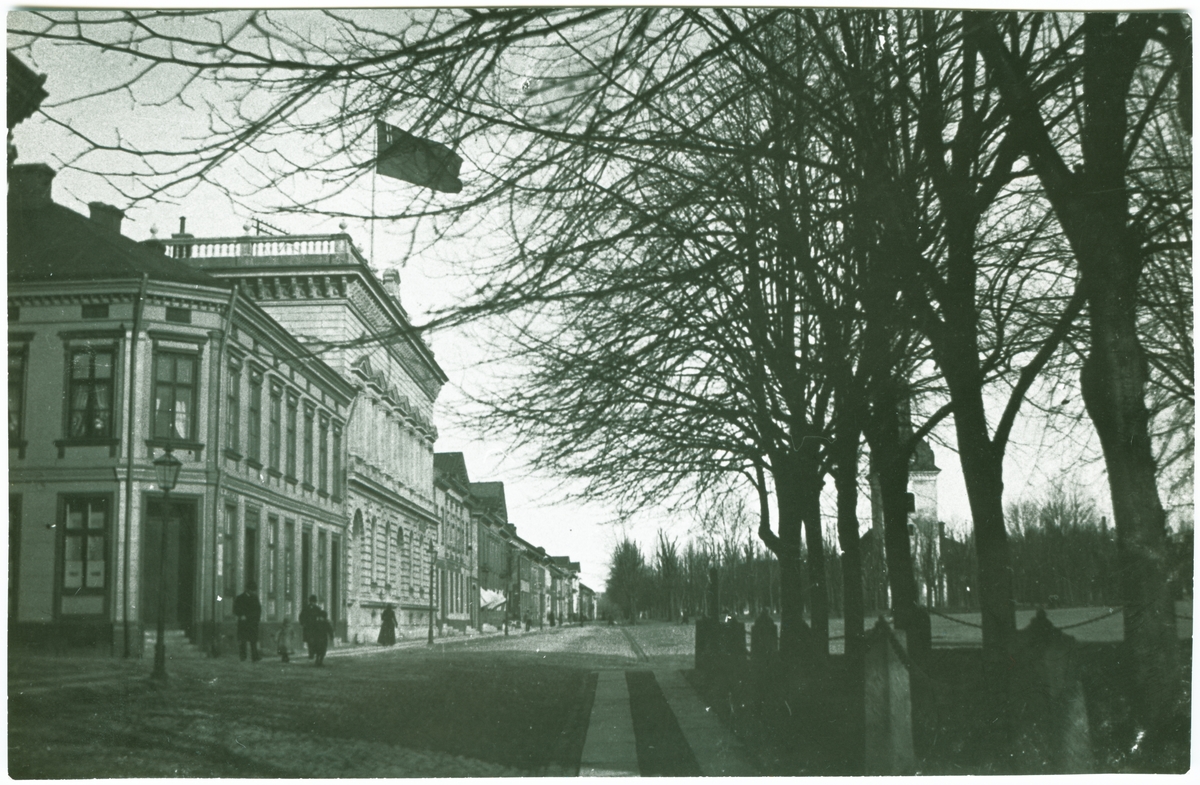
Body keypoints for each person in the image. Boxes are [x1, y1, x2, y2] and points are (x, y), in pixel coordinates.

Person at [233, 581, 262, 662]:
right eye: (252, 590)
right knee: (243, 640)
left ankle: (255, 656)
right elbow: (235, 609)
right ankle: (243, 656)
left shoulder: (255, 598)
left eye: (254, 590)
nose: (253, 592)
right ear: (247, 590)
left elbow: (258, 609)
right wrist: (241, 615)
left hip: (252, 622)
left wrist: (257, 619)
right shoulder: (240, 598)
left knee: (253, 640)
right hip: (244, 623)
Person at [299, 595, 321, 660]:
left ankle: (313, 652)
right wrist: (303, 623)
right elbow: (301, 616)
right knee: (309, 641)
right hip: (308, 627)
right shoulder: (306, 608)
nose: (312, 603)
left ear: (315, 602)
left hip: (315, 628)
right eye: (311, 601)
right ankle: (311, 654)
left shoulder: (318, 609)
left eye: (313, 602)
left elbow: (320, 617)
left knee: (315, 641)